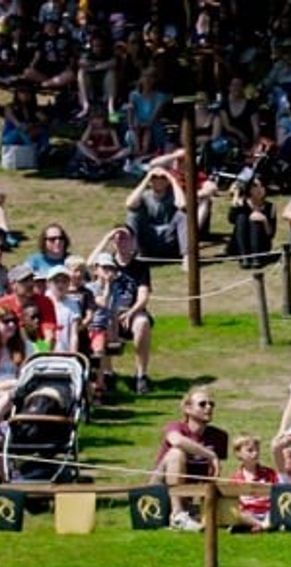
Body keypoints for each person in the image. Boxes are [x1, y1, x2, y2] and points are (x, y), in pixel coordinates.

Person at [87, 226, 154, 394]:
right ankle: (108, 373)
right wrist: (106, 238)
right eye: (117, 238)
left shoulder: (140, 266)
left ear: (132, 241)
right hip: (108, 311)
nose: (121, 241)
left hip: (132, 310)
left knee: (143, 323)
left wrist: (130, 313)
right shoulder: (107, 263)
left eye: (125, 237)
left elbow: (143, 296)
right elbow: (89, 265)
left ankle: (141, 375)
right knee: (102, 322)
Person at [153, 386, 229, 531]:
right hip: (159, 491)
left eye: (211, 404)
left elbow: (212, 475)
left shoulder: (219, 436)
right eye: (202, 404)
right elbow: (176, 441)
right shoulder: (175, 427)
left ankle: (192, 511)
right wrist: (210, 454)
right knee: (177, 453)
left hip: (189, 495)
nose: (209, 407)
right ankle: (177, 515)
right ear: (187, 409)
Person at [125, 166, 187, 259]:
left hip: (169, 239)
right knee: (133, 214)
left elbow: (182, 205)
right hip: (149, 239)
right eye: (154, 178)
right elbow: (129, 204)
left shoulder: (174, 195)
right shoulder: (145, 195)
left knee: (183, 215)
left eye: (163, 178)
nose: (158, 181)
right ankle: (135, 255)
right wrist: (147, 178)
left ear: (167, 181)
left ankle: (187, 256)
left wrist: (172, 178)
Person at [228, 433, 278, 533]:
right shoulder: (235, 478)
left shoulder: (269, 473)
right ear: (238, 453)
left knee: (276, 513)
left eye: (257, 450)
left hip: (267, 511)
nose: (255, 453)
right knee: (236, 513)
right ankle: (259, 525)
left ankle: (261, 526)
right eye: (250, 450)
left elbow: (277, 493)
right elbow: (233, 502)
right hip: (249, 513)